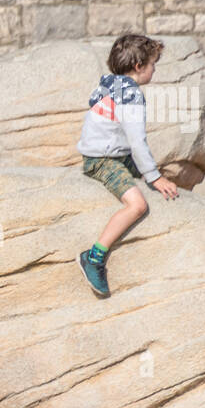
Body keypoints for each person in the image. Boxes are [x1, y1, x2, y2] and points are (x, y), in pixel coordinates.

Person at [76, 34, 179, 297]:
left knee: (149, 176)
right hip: (103, 161)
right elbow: (137, 141)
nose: (154, 69)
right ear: (138, 66)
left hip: (114, 153)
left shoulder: (111, 83)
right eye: (153, 64)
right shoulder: (130, 95)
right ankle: (94, 256)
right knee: (138, 205)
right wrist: (154, 178)